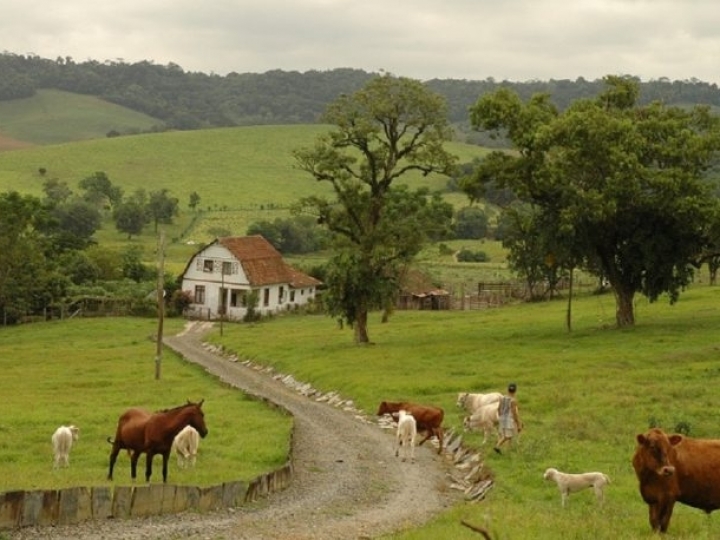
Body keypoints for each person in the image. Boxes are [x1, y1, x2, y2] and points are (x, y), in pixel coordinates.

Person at [494, 382, 522, 454]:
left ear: (507, 390)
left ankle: (508, 449)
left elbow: (498, 409)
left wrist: (501, 416)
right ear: (515, 391)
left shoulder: (502, 398)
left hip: (502, 418)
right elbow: (514, 413)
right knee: (508, 436)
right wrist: (518, 423)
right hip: (509, 419)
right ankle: (497, 446)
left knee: (508, 435)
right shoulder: (513, 400)